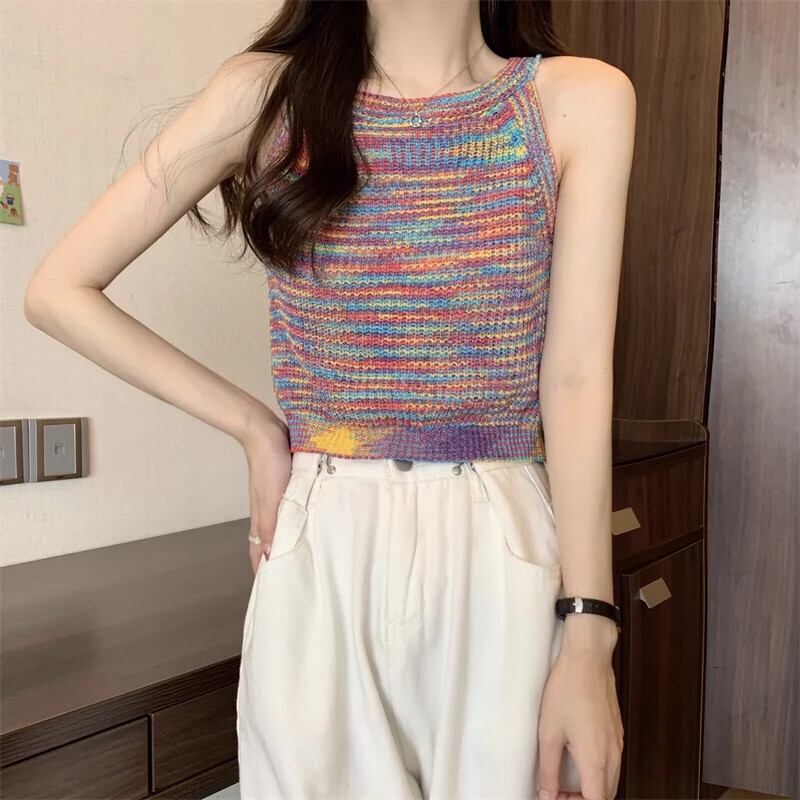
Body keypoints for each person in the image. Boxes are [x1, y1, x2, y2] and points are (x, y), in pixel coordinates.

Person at [24, 1, 636, 798]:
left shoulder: (578, 100)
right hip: (325, 544)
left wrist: (590, 635)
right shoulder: (267, 96)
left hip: (502, 546)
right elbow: (59, 290)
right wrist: (254, 428)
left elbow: (578, 375)